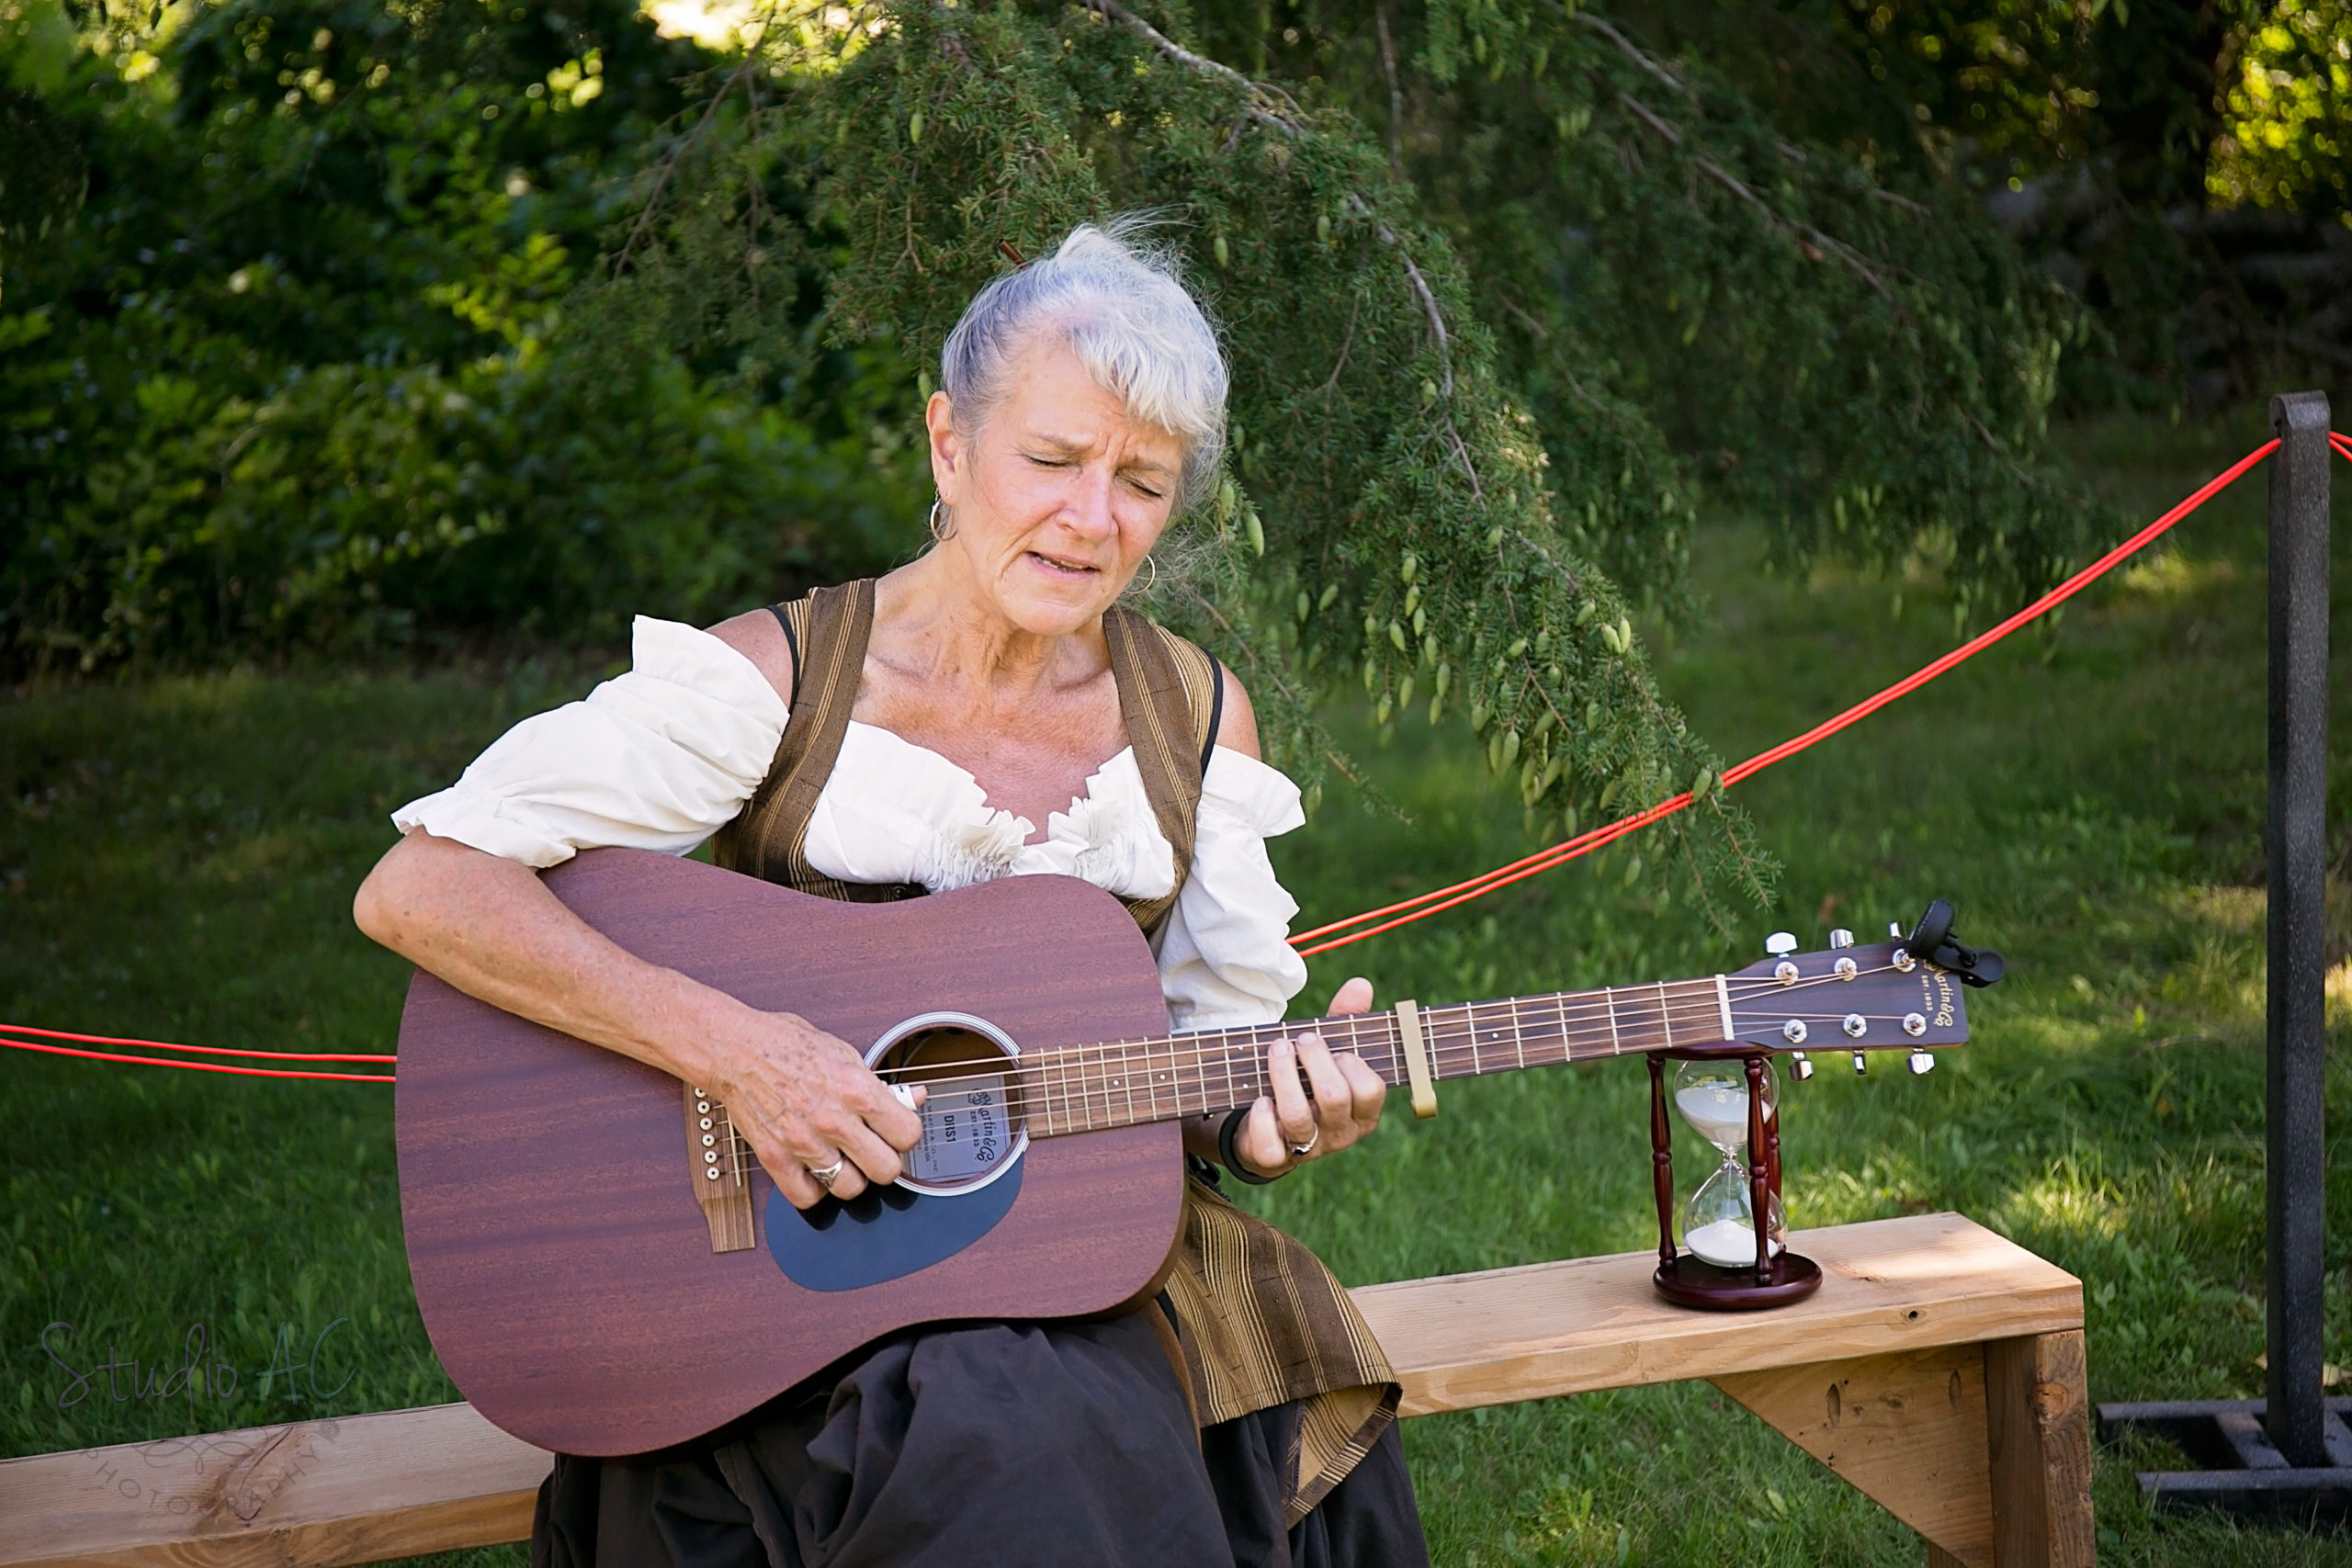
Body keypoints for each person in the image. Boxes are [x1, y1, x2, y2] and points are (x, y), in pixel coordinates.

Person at [354, 220, 1430, 1568]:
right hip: (789, 1282)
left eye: (1142, 482)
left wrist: (1269, 1122)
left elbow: (1202, 1071)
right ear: (948, 444)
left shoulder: (1192, 716)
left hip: (1084, 1263)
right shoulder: (782, 683)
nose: (1093, 518)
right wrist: (740, 1054)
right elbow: (423, 889)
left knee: (1051, 1410)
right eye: (1053, 460)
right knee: (1004, 1424)